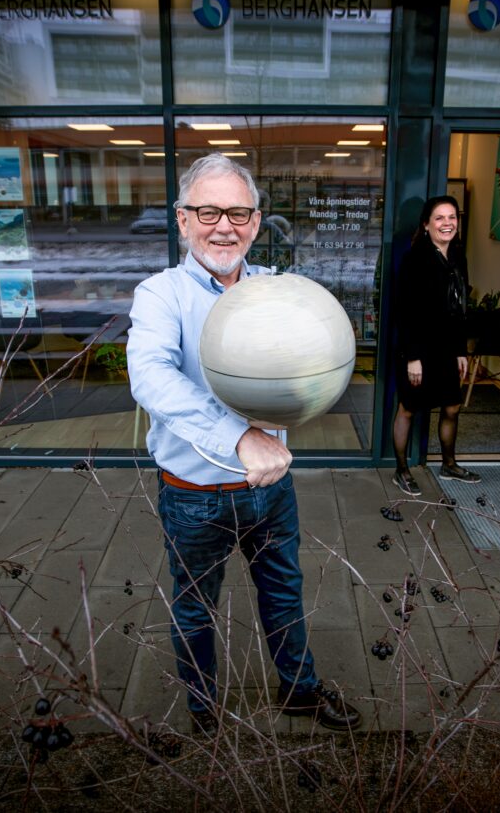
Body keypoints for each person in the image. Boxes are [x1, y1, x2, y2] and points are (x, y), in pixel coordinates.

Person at [127, 153, 362, 733]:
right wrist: (240, 437)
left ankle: (300, 692)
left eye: (238, 212)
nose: (224, 225)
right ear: (182, 220)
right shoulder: (161, 295)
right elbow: (151, 377)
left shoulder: (279, 292)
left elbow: (312, 358)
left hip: (270, 490)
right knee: (195, 609)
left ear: (257, 223)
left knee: (284, 594)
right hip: (193, 494)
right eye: (208, 211)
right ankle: (204, 711)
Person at [390, 195, 482, 497]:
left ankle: (449, 464)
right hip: (418, 350)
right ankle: (401, 470)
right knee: (408, 409)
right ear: (427, 225)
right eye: (440, 218)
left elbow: (459, 310)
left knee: (452, 406)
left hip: (446, 350)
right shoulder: (415, 258)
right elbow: (405, 311)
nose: (447, 223)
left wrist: (461, 351)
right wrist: (413, 357)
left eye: (452, 217)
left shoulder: (458, 256)